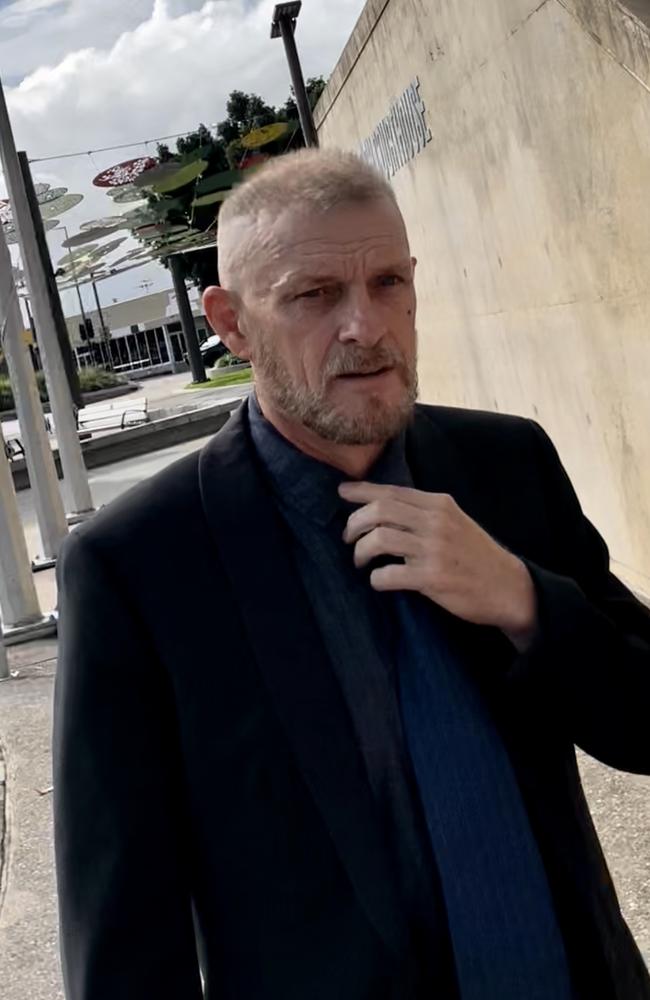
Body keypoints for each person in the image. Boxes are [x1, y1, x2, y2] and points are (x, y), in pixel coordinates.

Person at [53, 148, 650, 1000]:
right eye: (313, 295)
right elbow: (122, 931)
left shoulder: (507, 465)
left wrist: (523, 600)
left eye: (388, 284)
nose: (365, 326)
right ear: (231, 322)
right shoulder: (139, 565)